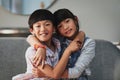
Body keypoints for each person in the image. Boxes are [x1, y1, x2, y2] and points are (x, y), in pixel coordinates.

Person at [12, 9, 83, 80]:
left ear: (54, 28)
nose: (43, 29)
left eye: (47, 24)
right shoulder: (33, 52)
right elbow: (54, 74)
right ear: (32, 30)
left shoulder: (58, 42)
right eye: (38, 26)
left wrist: (82, 33)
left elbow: (79, 35)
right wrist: (68, 50)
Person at [27, 8, 95, 80]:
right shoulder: (58, 39)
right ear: (56, 29)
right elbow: (30, 37)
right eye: (60, 26)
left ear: (75, 19)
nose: (65, 27)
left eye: (67, 21)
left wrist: (45, 74)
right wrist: (41, 47)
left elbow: (76, 72)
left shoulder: (88, 43)